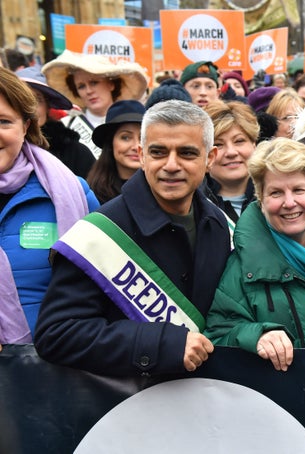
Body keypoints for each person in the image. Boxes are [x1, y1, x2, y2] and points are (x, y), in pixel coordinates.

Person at [34, 100, 231, 376]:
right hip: (124, 406)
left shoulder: (217, 223)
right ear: (141, 155)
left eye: (187, 153)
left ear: (210, 158)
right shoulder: (99, 232)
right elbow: (57, 335)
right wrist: (160, 344)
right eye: (158, 152)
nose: (171, 165)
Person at [205, 138, 305, 372]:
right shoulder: (242, 268)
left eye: (298, 190)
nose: (289, 202)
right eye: (276, 193)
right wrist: (255, 336)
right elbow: (216, 336)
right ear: (261, 201)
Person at [0, 67, 99, 342]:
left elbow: (108, 287)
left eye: (4, 122)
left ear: (26, 125)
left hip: (50, 370)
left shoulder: (74, 191)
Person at [42, 50, 148, 159]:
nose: (88, 91)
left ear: (111, 84)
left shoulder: (134, 123)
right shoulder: (66, 126)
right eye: (81, 86)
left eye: (94, 83)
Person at [16, 65, 96, 178]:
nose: (30, 108)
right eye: (22, 100)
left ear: (47, 108)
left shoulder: (75, 153)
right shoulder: (4, 152)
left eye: (37, 100)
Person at [203, 100, 259, 224]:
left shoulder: (277, 196)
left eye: (239, 141)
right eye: (218, 144)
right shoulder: (192, 204)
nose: (231, 152)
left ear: (254, 145)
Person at [86, 100, 145, 204]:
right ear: (110, 143)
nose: (136, 146)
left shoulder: (163, 189)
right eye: (126, 137)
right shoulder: (92, 195)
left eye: (142, 138)